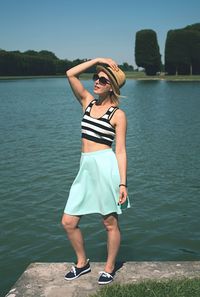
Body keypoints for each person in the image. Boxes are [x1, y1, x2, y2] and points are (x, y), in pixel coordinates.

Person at [61, 57, 130, 285]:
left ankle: (110, 268)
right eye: (96, 77)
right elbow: (70, 74)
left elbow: (120, 151)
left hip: (105, 168)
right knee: (68, 221)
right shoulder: (87, 102)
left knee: (109, 223)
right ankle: (82, 263)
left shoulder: (117, 115)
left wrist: (122, 183)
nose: (97, 82)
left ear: (111, 86)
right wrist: (98, 60)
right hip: (85, 168)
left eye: (102, 79)